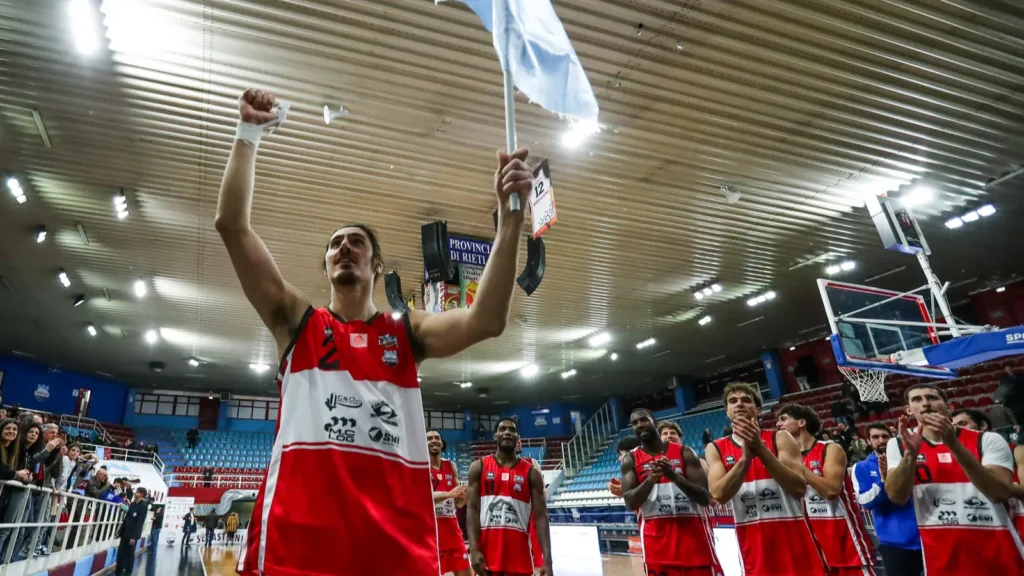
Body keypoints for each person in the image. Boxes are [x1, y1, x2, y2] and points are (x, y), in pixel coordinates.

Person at [218, 88, 532, 576]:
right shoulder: (298, 322)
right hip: (295, 550)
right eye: (335, 244)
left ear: (377, 264)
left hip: (393, 553)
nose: (344, 247)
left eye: (357, 242)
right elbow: (232, 226)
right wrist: (248, 133)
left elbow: (486, 320)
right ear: (326, 264)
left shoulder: (406, 333)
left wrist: (510, 222)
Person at [885, 382, 1024, 574]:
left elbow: (999, 493)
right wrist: (910, 455)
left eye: (932, 398)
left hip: (998, 551)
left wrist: (953, 444)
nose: (925, 403)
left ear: (949, 406)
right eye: (917, 399)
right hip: (940, 557)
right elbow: (897, 497)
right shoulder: (899, 444)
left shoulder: (987, 439)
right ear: (908, 410)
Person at [705, 383, 825, 576]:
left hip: (795, 539)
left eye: (746, 400)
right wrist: (745, 459)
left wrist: (761, 450)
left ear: (758, 410)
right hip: (753, 547)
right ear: (727, 411)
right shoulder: (715, 448)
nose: (739, 404)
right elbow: (719, 494)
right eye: (733, 401)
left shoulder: (780, 437)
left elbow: (798, 488)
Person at [776, 404, 875, 575]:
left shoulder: (830, 448)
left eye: (783, 419)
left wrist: (797, 467)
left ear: (801, 422)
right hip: (813, 546)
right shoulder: (785, 459)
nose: (778, 424)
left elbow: (831, 490)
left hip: (844, 542)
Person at [620, 409, 720, 576]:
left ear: (655, 422)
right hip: (656, 550)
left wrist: (673, 476)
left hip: (695, 547)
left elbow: (705, 498)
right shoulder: (630, 459)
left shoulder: (685, 452)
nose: (640, 425)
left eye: (644, 420)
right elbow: (630, 502)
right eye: (635, 423)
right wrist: (650, 479)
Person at [467, 418, 551, 576]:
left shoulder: (531, 473)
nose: (507, 432)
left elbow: (541, 517)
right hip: (487, 558)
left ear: (518, 438)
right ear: (495, 436)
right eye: (502, 429)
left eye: (512, 430)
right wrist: (473, 549)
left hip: (520, 558)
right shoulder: (478, 467)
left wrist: (548, 560)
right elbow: (472, 509)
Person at [852, 424, 922, 576]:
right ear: (868, 441)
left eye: (885, 436)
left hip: (926, 536)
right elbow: (866, 502)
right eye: (875, 437)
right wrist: (883, 482)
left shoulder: (909, 459)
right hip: (896, 543)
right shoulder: (861, 467)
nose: (881, 440)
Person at [427, 429, 470, 576]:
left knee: (466, 573)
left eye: (437, 438)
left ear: (441, 443)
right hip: (432, 531)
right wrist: (449, 494)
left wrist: (463, 496)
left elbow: (458, 503)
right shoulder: (421, 467)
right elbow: (423, 497)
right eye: (429, 438)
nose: (434, 441)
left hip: (452, 529)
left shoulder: (451, 465)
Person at [115, 487, 149, 576]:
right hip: (125, 533)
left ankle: (128, 572)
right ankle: (118, 572)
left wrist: (134, 536)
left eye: (137, 492)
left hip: (132, 535)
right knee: (120, 554)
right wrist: (120, 531)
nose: (135, 493)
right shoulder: (133, 504)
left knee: (129, 555)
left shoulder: (143, 506)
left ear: (141, 494)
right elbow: (126, 519)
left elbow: (139, 523)